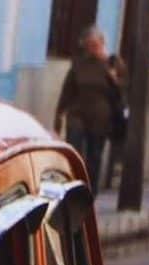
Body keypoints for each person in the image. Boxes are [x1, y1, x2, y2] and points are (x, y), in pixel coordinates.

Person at [56, 28, 126, 195]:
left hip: (100, 118)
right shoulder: (79, 64)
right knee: (74, 153)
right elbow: (68, 90)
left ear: (102, 44)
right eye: (89, 46)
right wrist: (59, 113)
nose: (92, 49)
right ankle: (72, 189)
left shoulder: (112, 63)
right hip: (77, 114)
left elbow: (123, 91)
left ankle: (89, 191)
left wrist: (114, 78)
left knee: (94, 156)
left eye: (95, 45)